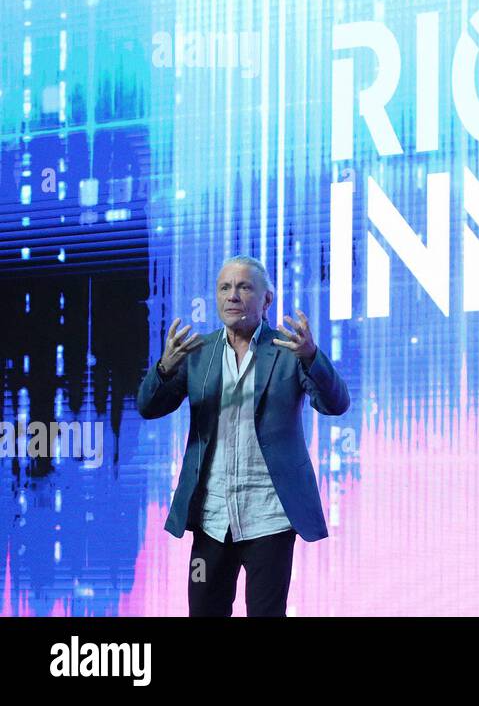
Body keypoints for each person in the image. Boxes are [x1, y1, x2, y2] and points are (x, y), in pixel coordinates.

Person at [136, 255, 350, 616]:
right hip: (211, 519)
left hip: (270, 516)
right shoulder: (197, 352)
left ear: (267, 299)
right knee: (203, 610)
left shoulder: (289, 349)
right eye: (224, 288)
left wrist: (312, 356)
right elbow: (149, 407)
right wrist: (164, 368)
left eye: (244, 287)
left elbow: (336, 404)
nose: (232, 296)